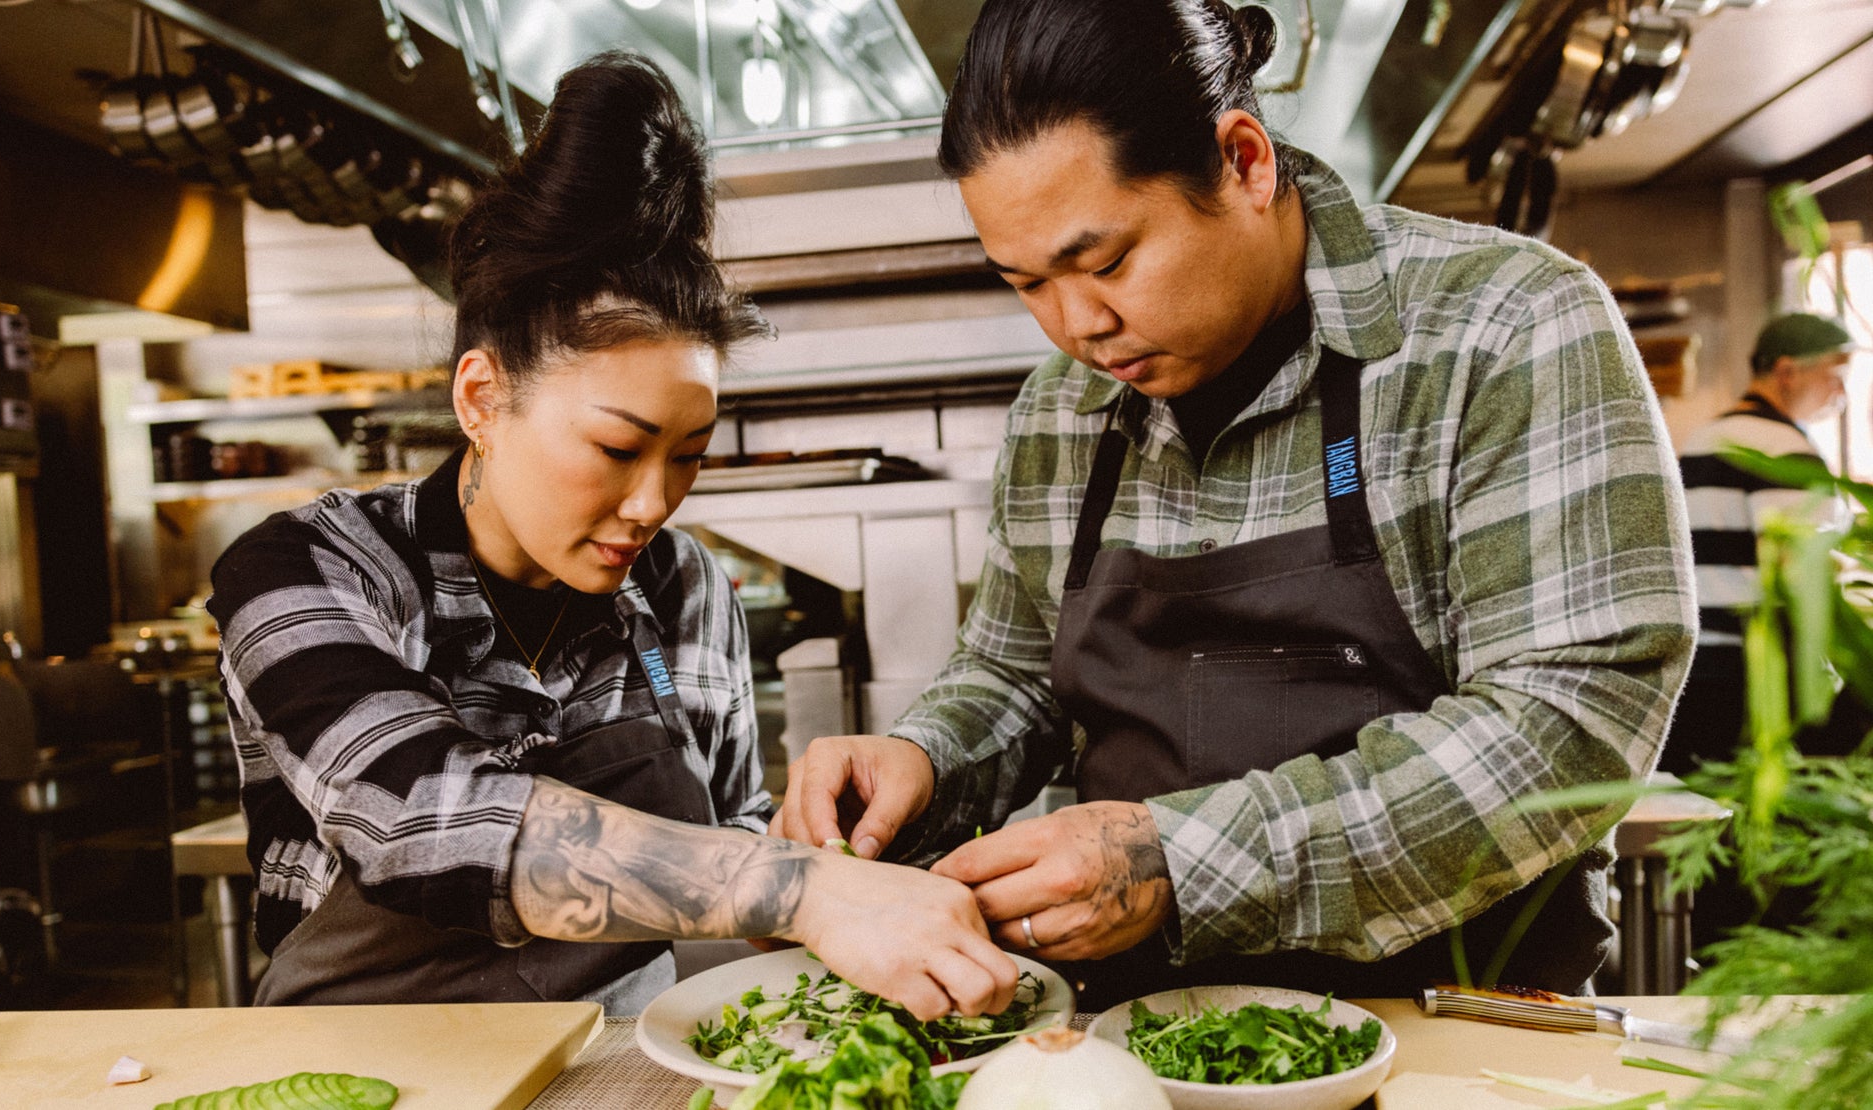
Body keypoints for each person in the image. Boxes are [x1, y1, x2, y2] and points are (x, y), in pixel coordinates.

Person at [776, 0, 1695, 1007]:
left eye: (1107, 262)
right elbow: (1017, 672)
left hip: (1457, 1017)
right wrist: (923, 756)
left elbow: (1570, 717)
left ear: (1245, 162)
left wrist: (1180, 861)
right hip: (1132, 1033)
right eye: (1026, 282)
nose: (1078, 326)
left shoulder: (1506, 328)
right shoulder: (1061, 411)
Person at [208, 52, 1017, 1018]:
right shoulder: (308, 570)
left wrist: (845, 863)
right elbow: (422, 821)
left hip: (621, 1064)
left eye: (687, 455)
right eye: (617, 448)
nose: (652, 503)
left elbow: (727, 845)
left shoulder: (681, 589)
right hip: (368, 1068)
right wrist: (803, 890)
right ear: (481, 398)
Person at [1669, 312, 1858, 773]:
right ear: (1787, 372)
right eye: (1833, 376)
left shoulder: (1701, 439)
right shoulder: (1783, 450)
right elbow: (1800, 571)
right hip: (1758, 675)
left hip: (1694, 669)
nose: (1841, 394)